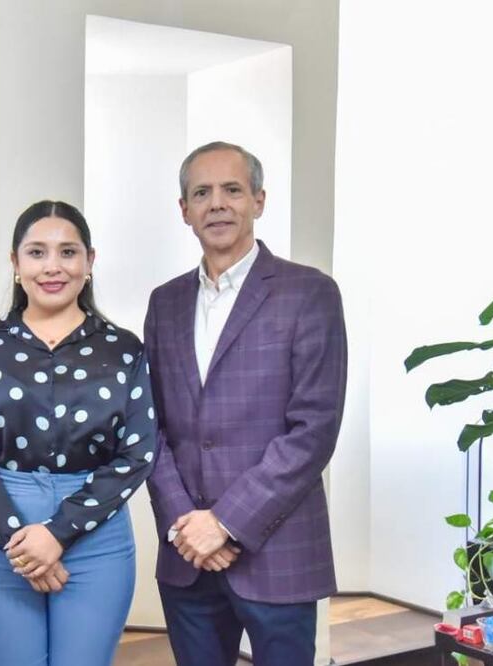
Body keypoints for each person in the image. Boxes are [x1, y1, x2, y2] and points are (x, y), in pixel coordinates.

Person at [144, 142, 348, 665]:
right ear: (183, 209)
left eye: (232, 190)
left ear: (258, 200)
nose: (217, 204)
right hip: (186, 554)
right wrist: (185, 523)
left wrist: (225, 523)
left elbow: (313, 431)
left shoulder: (310, 293)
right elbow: (150, 427)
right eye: (202, 193)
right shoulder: (164, 303)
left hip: (278, 555)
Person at [0, 201, 157, 665]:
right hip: (0, 536)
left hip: (96, 540)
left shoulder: (125, 350)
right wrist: (20, 543)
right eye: (37, 253)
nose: (52, 267)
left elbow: (137, 453)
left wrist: (58, 534)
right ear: (15, 264)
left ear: (90, 262)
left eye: (68, 252)